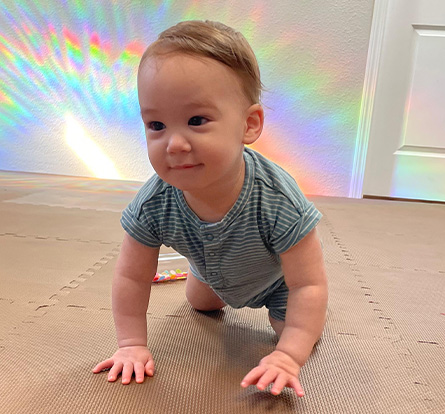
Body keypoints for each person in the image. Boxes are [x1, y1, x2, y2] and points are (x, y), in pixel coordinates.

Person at [91, 20, 328, 397]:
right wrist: (131, 344)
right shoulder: (155, 202)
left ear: (249, 125)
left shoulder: (277, 200)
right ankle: (204, 277)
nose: (175, 144)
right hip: (210, 273)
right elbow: (132, 277)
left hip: (279, 283)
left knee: (297, 332)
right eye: (156, 124)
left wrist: (287, 356)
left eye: (197, 121)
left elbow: (308, 283)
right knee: (200, 303)